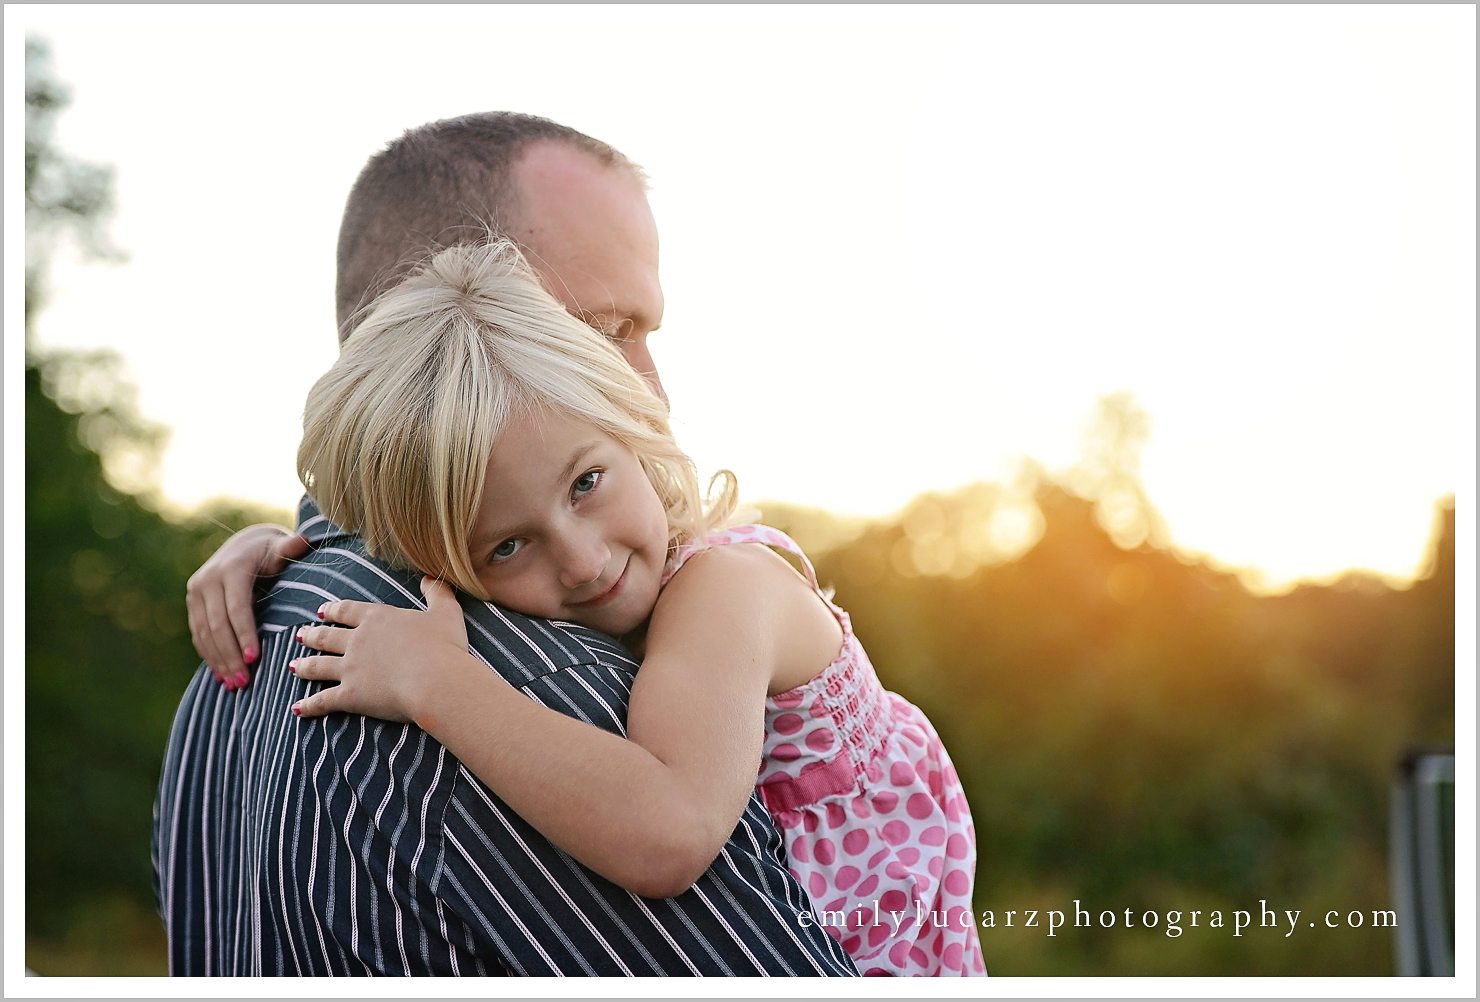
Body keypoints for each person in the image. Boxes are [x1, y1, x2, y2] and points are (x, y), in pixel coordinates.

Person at [152, 113, 858, 976]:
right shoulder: (524, 689)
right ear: (454, 310)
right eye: (603, 330)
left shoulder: (243, 650)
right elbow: (670, 838)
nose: (654, 393)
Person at [286, 238, 987, 976]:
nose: (584, 561)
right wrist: (269, 549)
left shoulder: (728, 591)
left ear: (635, 429)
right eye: (506, 547)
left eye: (586, 482)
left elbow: (670, 832)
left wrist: (436, 683)